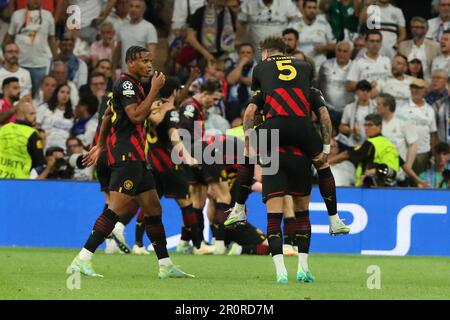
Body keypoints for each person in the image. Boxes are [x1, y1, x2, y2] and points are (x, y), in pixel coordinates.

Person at [69, 46, 194, 279]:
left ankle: (165, 265)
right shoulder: (126, 84)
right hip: (127, 156)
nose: (149, 65)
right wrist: (154, 90)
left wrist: (101, 144)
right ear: (130, 63)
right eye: (144, 61)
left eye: (150, 60)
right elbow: (136, 116)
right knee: (116, 208)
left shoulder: (135, 86)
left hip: (138, 157)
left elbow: (107, 115)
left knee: (154, 208)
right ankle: (82, 259)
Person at [225, 36, 350, 237]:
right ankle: (334, 219)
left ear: (265, 53)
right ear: (285, 53)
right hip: (303, 127)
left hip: (274, 125)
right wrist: (326, 146)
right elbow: (324, 116)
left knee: (247, 158)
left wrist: (250, 141)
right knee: (323, 167)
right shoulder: (306, 67)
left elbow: (251, 113)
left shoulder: (260, 69)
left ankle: (239, 208)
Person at [146, 77, 213, 255]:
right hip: (169, 162)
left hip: (150, 161)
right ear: (175, 91)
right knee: (187, 202)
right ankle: (199, 245)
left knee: (149, 203)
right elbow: (176, 136)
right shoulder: (173, 110)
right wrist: (189, 156)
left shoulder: (150, 107)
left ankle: (136, 241)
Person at [178, 79, 231, 255]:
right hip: (197, 153)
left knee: (198, 201)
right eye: (214, 99)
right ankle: (220, 244)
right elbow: (183, 132)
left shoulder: (198, 108)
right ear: (205, 94)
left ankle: (198, 244)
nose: (215, 104)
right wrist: (189, 156)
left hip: (192, 154)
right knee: (224, 195)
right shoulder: (191, 107)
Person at [330, 113, 400, 187]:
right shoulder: (389, 144)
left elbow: (346, 155)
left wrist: (327, 163)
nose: (366, 128)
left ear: (379, 126)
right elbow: (403, 164)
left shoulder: (371, 143)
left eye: (369, 125)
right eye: (365, 125)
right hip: (391, 185)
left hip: (373, 186)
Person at [4, 0, 58, 97]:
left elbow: (51, 39)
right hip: (20, 64)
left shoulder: (48, 16)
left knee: (38, 97)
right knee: (19, 96)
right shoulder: (17, 15)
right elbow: (9, 38)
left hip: (40, 65)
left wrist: (57, 60)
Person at [397, 78, 438, 175]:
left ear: (425, 90)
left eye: (419, 88)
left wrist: (432, 153)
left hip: (423, 153)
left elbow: (433, 133)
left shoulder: (430, 109)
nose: (415, 90)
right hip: (405, 152)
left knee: (420, 180)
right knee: (403, 181)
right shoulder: (401, 108)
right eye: (413, 87)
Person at [0, 100, 49, 179]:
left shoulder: (3, 129)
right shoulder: (32, 134)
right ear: (22, 115)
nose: (35, 117)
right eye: (31, 114)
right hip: (20, 182)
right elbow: (40, 164)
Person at [290, 0, 336, 72]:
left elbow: (334, 46)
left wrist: (324, 47)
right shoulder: (294, 24)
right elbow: (286, 43)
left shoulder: (324, 24)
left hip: (320, 67)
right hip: (299, 67)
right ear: (303, 8)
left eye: (314, 8)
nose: (312, 10)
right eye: (309, 7)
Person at [113, 0, 158, 72]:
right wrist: (113, 70)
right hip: (125, 73)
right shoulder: (122, 27)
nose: (133, 9)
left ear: (143, 10)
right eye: (131, 6)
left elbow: (151, 54)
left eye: (137, 7)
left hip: (142, 75)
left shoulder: (149, 27)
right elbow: (117, 51)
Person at [318, 40, 354, 127]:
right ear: (335, 51)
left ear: (351, 53)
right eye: (339, 50)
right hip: (328, 110)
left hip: (348, 111)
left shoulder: (355, 66)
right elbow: (319, 86)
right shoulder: (326, 65)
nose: (341, 53)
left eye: (345, 51)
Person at [398, 17, 440, 82]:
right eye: (413, 27)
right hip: (406, 82)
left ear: (426, 30)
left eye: (418, 27)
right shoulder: (403, 45)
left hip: (428, 82)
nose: (415, 29)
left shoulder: (435, 46)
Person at [338, 80, 376, 148]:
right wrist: (350, 130)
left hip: (372, 143)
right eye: (362, 90)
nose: (365, 93)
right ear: (356, 92)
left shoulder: (376, 107)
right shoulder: (349, 107)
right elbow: (341, 127)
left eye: (368, 91)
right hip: (354, 142)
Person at [225, 43, 257, 123]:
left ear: (253, 55)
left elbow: (254, 82)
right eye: (243, 53)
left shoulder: (258, 67)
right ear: (239, 55)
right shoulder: (232, 67)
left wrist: (239, 78)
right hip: (234, 104)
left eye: (248, 53)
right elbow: (231, 80)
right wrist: (241, 64)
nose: (245, 55)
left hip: (251, 102)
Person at [36, 83, 74, 151]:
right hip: (46, 147)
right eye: (62, 92)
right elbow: (36, 127)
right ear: (56, 93)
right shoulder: (44, 108)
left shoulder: (71, 114)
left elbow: (70, 133)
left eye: (68, 93)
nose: (65, 95)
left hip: (63, 149)